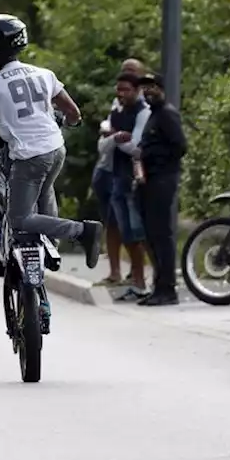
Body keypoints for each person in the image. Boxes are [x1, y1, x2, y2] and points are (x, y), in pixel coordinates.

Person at [0, 13, 103, 271]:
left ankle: (82, 231)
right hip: (56, 149)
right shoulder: (45, 74)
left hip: (28, 156)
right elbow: (73, 113)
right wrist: (68, 123)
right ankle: (50, 246)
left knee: (20, 219)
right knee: (44, 190)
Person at [93, 58, 147, 289]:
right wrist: (114, 135)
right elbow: (106, 138)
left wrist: (113, 137)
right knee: (112, 223)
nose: (127, 76)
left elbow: (136, 144)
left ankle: (138, 277)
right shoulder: (118, 105)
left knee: (132, 228)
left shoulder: (143, 108)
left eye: (132, 73)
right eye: (124, 72)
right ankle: (116, 272)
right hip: (108, 168)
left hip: (129, 173)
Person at [134, 72, 185, 306]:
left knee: (161, 235)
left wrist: (153, 159)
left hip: (162, 180)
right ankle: (158, 286)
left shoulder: (167, 114)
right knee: (151, 235)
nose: (148, 91)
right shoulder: (154, 115)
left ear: (162, 88)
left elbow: (180, 147)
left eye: (152, 87)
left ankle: (167, 289)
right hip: (149, 181)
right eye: (145, 88)